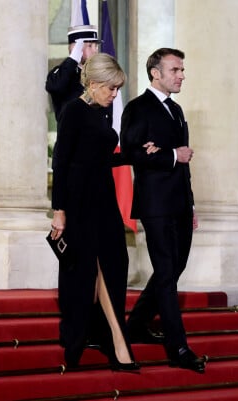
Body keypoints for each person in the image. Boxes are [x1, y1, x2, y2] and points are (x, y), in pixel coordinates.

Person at [50, 53, 157, 372]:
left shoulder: (98, 114)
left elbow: (101, 160)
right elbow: (61, 162)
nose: (114, 95)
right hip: (80, 203)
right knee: (87, 271)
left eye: (117, 89)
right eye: (111, 88)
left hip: (103, 201)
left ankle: (105, 337)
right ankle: (112, 342)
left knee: (114, 264)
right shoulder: (73, 111)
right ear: (94, 84)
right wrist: (59, 210)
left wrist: (136, 155)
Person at [120, 48, 205, 374]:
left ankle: (136, 325)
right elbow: (131, 151)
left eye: (182, 69)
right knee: (168, 275)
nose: (181, 75)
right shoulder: (137, 108)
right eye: (175, 69)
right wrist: (171, 155)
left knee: (173, 269)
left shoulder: (177, 109)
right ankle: (179, 348)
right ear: (155, 73)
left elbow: (181, 164)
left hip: (180, 203)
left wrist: (192, 203)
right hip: (155, 205)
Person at [45, 25, 101, 122]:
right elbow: (55, 87)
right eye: (90, 46)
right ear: (76, 48)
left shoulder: (98, 75)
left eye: (96, 46)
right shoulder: (63, 74)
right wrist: (73, 59)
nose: (95, 50)